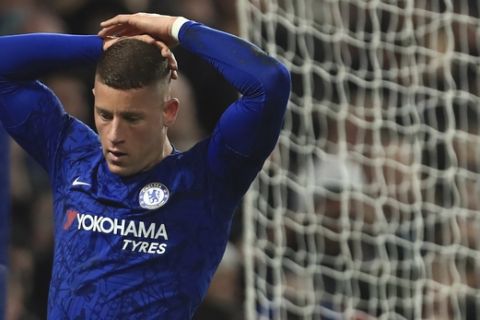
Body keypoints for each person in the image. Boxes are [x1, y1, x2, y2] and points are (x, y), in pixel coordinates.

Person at [0, 12, 291, 319]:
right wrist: (104, 47)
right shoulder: (71, 154)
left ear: (169, 111)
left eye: (132, 118)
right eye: (105, 115)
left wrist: (177, 28)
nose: (114, 136)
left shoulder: (208, 177)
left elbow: (269, 81)